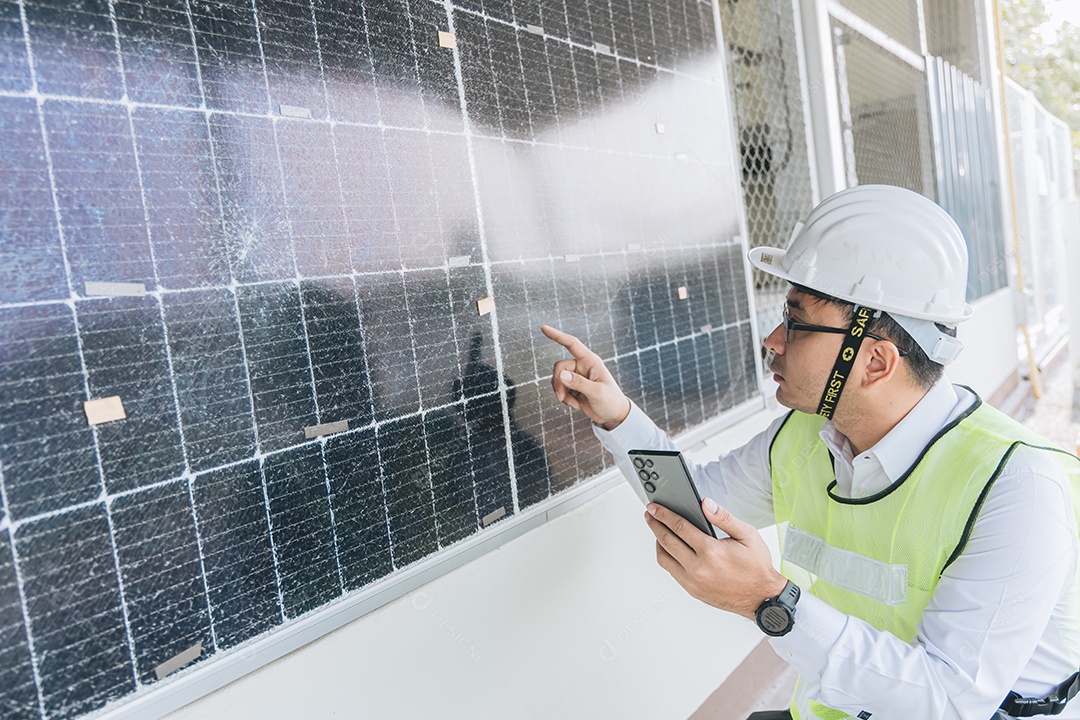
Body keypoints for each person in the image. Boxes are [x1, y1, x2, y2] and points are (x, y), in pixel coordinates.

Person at [541, 185, 1080, 720]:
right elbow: (696, 503)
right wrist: (617, 416)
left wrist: (769, 602)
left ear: (874, 361)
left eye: (797, 323)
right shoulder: (805, 435)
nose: (773, 339)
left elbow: (945, 703)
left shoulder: (1016, 486)